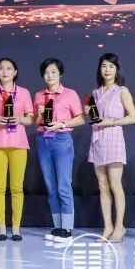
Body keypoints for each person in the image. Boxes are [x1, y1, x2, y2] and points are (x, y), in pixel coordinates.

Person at [0, 58, 35, 241]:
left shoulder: (24, 93)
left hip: (19, 144)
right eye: (1, 68)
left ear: (15, 72)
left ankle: (16, 228)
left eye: (9, 68)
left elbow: (31, 118)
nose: (5, 72)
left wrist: (21, 119)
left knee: (17, 188)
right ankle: (2, 227)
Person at [34, 58, 86, 245]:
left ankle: (67, 229)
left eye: (53, 72)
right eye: (46, 72)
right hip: (43, 140)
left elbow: (80, 119)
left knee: (64, 185)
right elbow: (35, 122)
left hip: (61, 140)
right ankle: (57, 227)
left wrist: (62, 124)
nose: (49, 75)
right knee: (50, 186)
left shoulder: (69, 94)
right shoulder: (39, 95)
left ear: (60, 74)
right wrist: (40, 114)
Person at [87, 53, 135, 243]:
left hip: (114, 137)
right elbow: (95, 118)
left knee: (115, 183)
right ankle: (107, 226)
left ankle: (119, 226)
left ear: (117, 70)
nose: (107, 70)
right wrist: (88, 113)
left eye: (111, 66)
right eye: (104, 66)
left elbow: (133, 117)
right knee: (102, 185)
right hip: (97, 139)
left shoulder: (122, 91)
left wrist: (111, 121)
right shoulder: (95, 93)